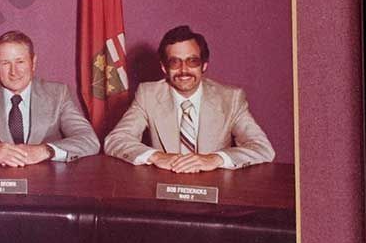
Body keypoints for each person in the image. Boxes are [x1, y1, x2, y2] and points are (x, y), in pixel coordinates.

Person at [104, 25, 275, 172]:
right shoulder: (148, 95)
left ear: (204, 65)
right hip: (164, 188)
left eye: (192, 61)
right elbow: (116, 140)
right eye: (175, 62)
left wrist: (215, 159)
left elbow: (262, 148)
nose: (183, 70)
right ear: (164, 68)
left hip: (215, 189)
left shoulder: (231, 98)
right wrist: (156, 156)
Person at [0, 30, 99, 165]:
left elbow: (89, 140)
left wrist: (45, 150)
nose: (14, 72)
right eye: (5, 63)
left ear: (33, 62)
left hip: (47, 183)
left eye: (20, 62)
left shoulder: (58, 93)